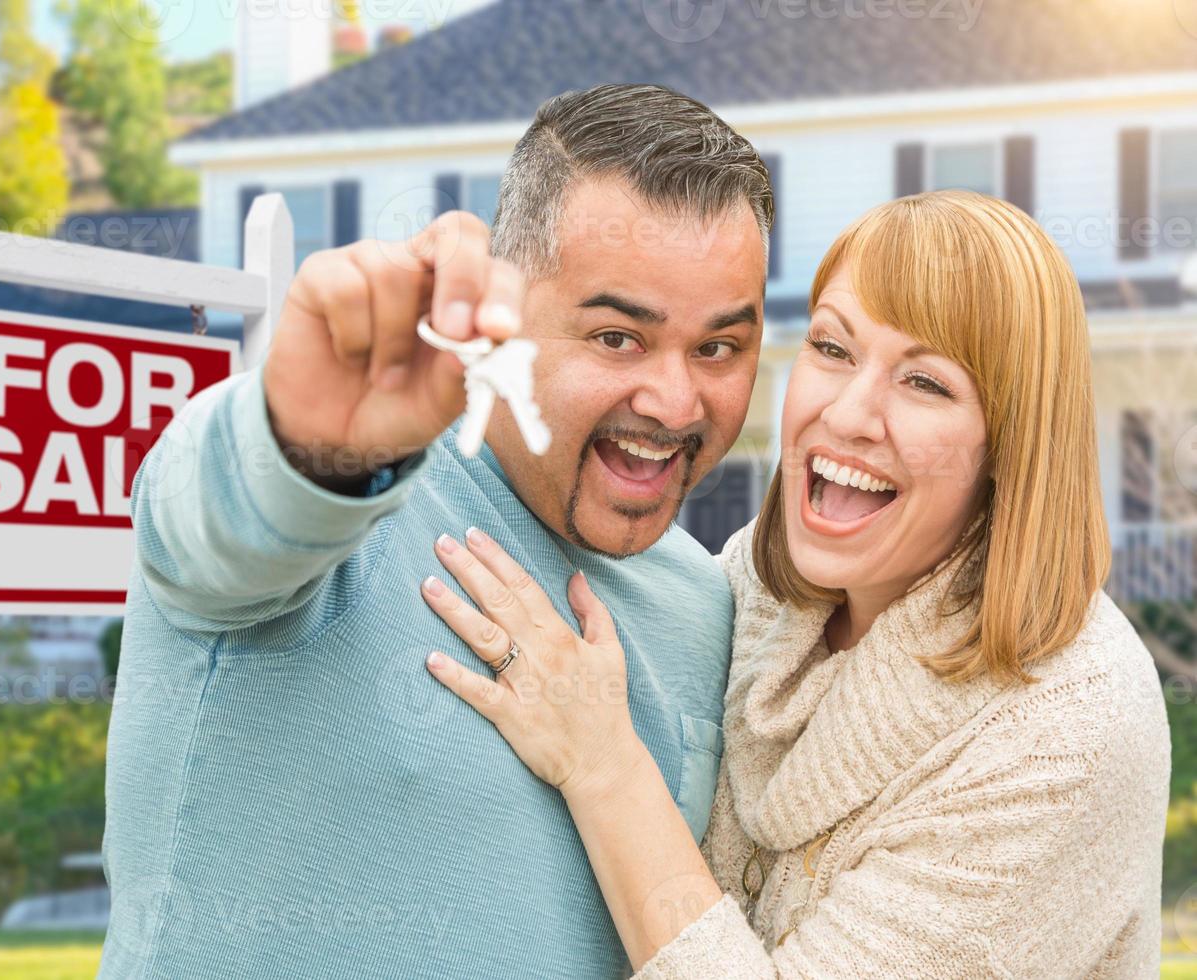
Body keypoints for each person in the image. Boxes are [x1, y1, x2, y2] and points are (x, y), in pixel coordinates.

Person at [99, 84, 774, 979]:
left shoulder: (706, 602)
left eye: (717, 348)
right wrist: (310, 446)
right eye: (616, 338)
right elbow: (215, 523)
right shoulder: (340, 501)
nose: (675, 402)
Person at [418, 190, 1171, 977]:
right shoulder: (761, 587)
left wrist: (602, 767)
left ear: (1010, 448)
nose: (846, 415)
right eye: (832, 349)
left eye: (924, 384)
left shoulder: (1068, 732)